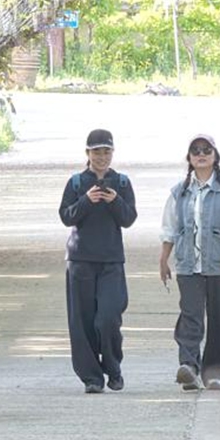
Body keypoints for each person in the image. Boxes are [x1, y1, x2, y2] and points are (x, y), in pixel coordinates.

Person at [159, 133, 220, 391]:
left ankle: (215, 369)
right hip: (188, 263)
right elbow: (170, 227)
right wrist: (164, 258)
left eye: (206, 150)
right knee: (190, 315)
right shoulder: (180, 191)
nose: (201, 154)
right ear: (188, 157)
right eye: (195, 150)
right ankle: (189, 366)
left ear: (215, 155)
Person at [59, 128, 137, 393]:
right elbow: (67, 216)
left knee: (108, 318)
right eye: (96, 152)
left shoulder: (123, 183)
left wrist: (114, 201)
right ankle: (91, 377)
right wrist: (86, 201)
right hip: (80, 260)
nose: (102, 157)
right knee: (82, 322)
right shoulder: (77, 183)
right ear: (87, 154)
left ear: (112, 153)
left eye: (106, 152)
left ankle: (113, 368)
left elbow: (128, 219)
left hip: (111, 261)